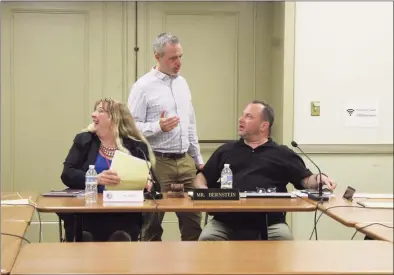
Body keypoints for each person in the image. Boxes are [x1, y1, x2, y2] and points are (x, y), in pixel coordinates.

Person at [195, 100, 337, 241]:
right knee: (206, 240)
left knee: (284, 243)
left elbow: (306, 179)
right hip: (226, 222)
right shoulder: (226, 150)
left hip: (271, 224)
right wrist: (203, 191)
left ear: (264, 126)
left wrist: (319, 178)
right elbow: (202, 176)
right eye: (242, 115)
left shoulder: (282, 153)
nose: (241, 119)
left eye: (249, 117)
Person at [128, 33, 203, 241]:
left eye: (180, 56)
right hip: (157, 162)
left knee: (193, 224)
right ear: (157, 56)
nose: (178, 63)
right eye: (172, 58)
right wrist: (157, 126)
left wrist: (198, 159)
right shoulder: (142, 87)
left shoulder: (183, 84)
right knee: (151, 225)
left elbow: (190, 124)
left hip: (185, 162)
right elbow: (130, 127)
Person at [59, 98, 157, 242]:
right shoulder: (84, 140)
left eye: (100, 111)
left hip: (123, 213)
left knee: (120, 236)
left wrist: (148, 184)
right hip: (87, 212)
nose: (93, 115)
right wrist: (95, 179)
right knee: (84, 236)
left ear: (114, 118)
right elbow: (67, 174)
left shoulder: (136, 147)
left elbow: (155, 185)